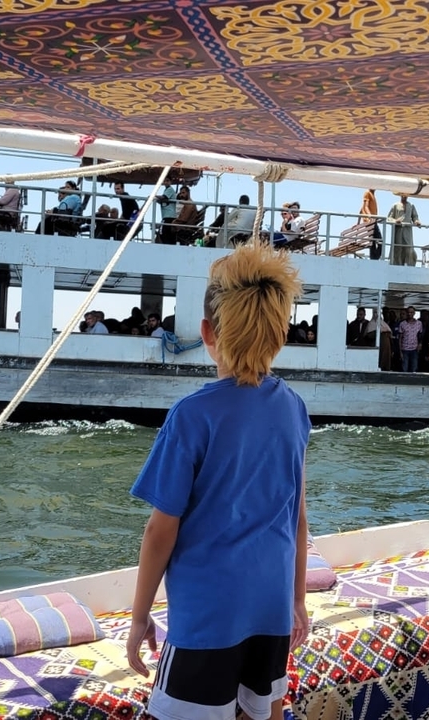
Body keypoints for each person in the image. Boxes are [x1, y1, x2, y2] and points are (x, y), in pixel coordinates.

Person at [125, 242, 310, 720]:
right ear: (280, 334)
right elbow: (298, 519)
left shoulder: (192, 415)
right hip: (270, 607)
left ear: (207, 332)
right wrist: (298, 601)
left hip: (208, 618)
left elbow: (159, 531)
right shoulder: (294, 408)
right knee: (261, 712)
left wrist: (140, 617)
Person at [386, 194, 420, 267]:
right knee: (398, 249)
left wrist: (416, 221)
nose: (404, 196)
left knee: (409, 249)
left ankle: (410, 265)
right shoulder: (395, 205)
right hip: (398, 231)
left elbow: (415, 217)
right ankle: (397, 266)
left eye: (406, 195)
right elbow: (389, 218)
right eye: (403, 194)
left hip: (407, 231)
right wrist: (395, 221)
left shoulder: (411, 205)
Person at [397, 307, 423, 372]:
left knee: (414, 368)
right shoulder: (402, 324)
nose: (409, 314)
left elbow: (420, 336)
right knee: (404, 368)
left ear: (414, 313)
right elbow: (400, 338)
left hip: (414, 350)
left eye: (411, 312)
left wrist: (420, 344)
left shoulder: (419, 323)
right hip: (404, 349)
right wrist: (400, 352)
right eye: (408, 312)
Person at [360, 188, 382, 260]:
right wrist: (370, 215)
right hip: (370, 221)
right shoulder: (367, 193)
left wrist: (357, 222)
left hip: (373, 221)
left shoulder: (372, 194)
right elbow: (366, 206)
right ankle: (374, 258)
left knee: (375, 241)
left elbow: (361, 209)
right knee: (378, 240)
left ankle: (374, 258)